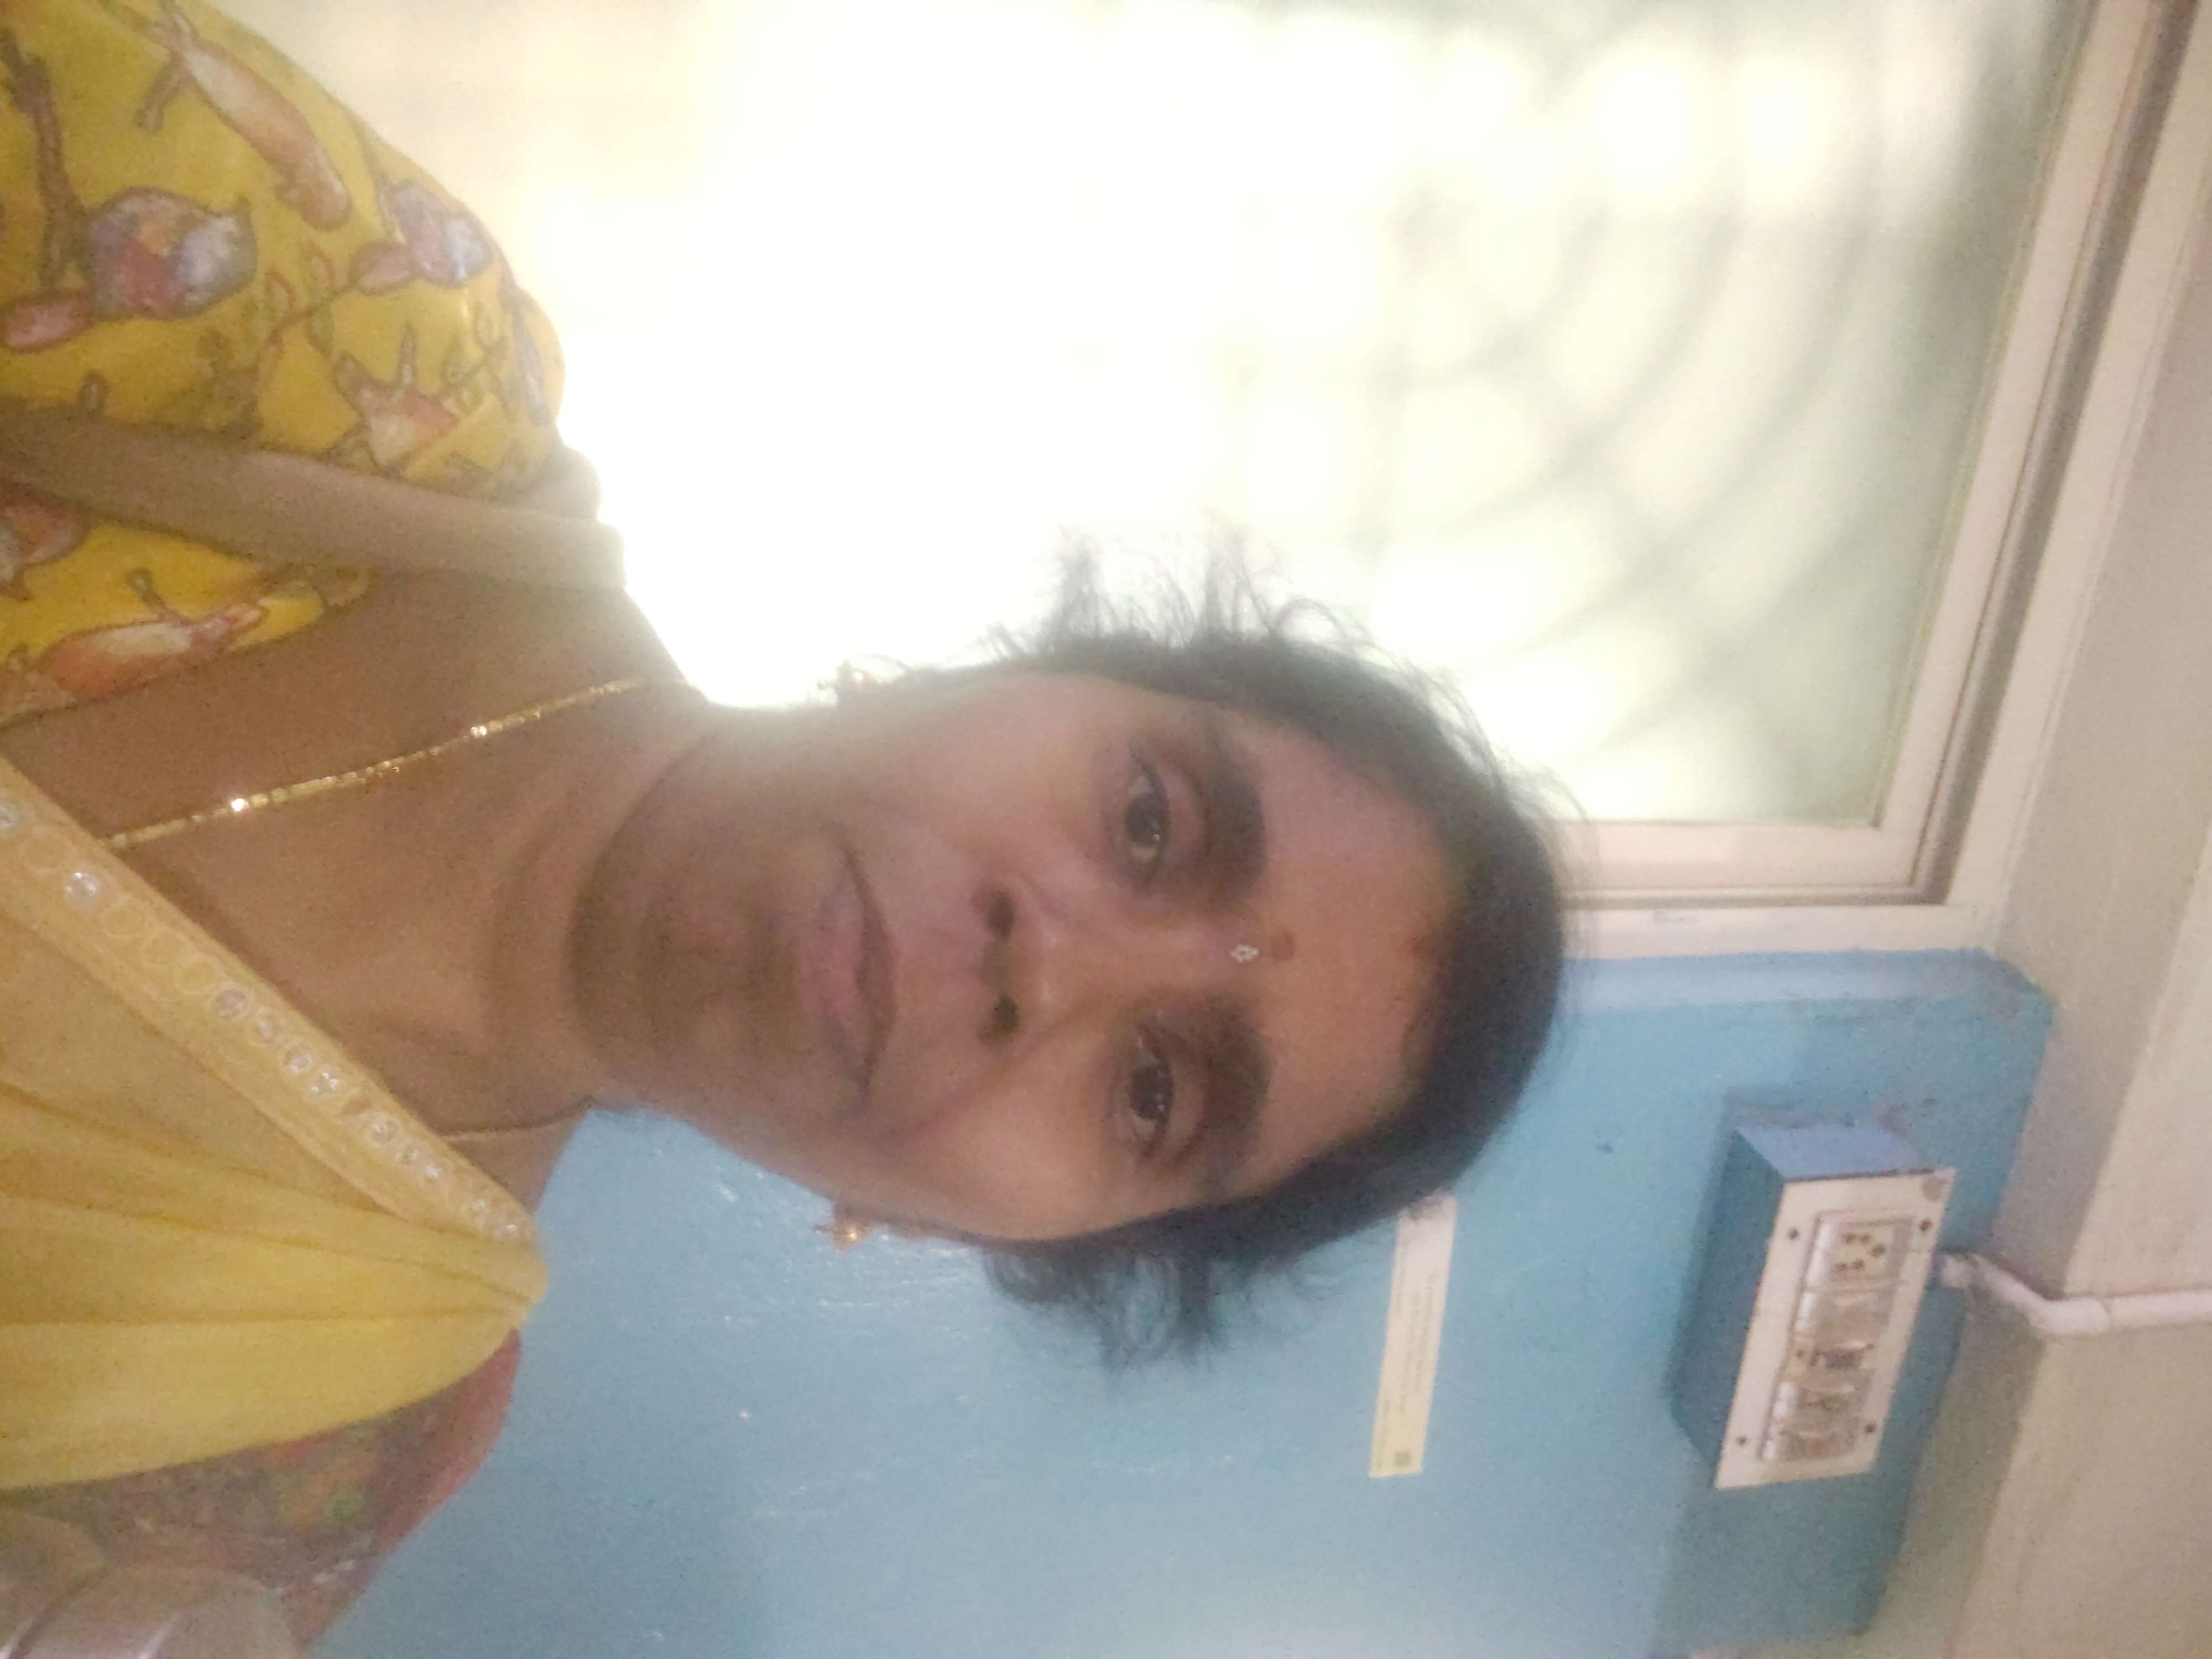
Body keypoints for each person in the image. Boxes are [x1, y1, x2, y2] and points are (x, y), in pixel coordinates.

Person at [0, 0, 1564, 1648]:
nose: (1052, 968)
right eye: (1150, 819)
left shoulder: (293, 1430)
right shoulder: (347, 347)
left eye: (1157, 1092)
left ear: (965, 1232)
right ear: (1004, 670)